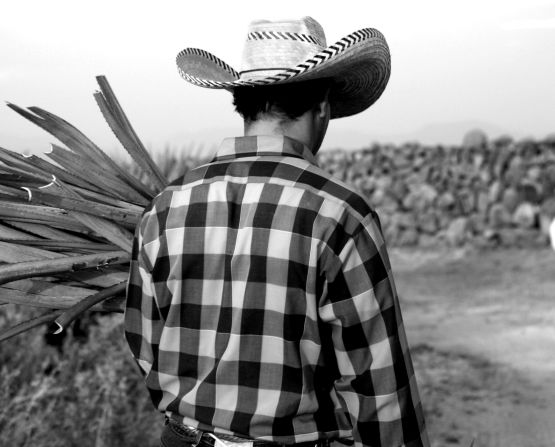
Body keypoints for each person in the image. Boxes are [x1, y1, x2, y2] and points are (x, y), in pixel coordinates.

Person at [125, 17, 429, 447]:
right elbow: (378, 383)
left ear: (242, 100)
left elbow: (144, 345)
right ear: (323, 104)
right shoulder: (340, 214)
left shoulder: (166, 207)